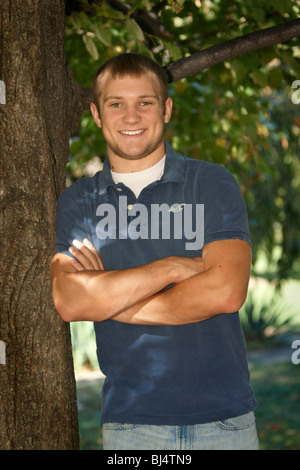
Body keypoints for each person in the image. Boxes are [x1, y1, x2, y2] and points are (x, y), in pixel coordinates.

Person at [51, 53, 259, 450]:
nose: (131, 117)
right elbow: (71, 300)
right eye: (116, 104)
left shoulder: (210, 182)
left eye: (144, 102)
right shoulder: (80, 201)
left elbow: (226, 292)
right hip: (133, 427)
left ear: (165, 108)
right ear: (96, 113)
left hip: (225, 422)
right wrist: (171, 268)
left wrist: (111, 300)